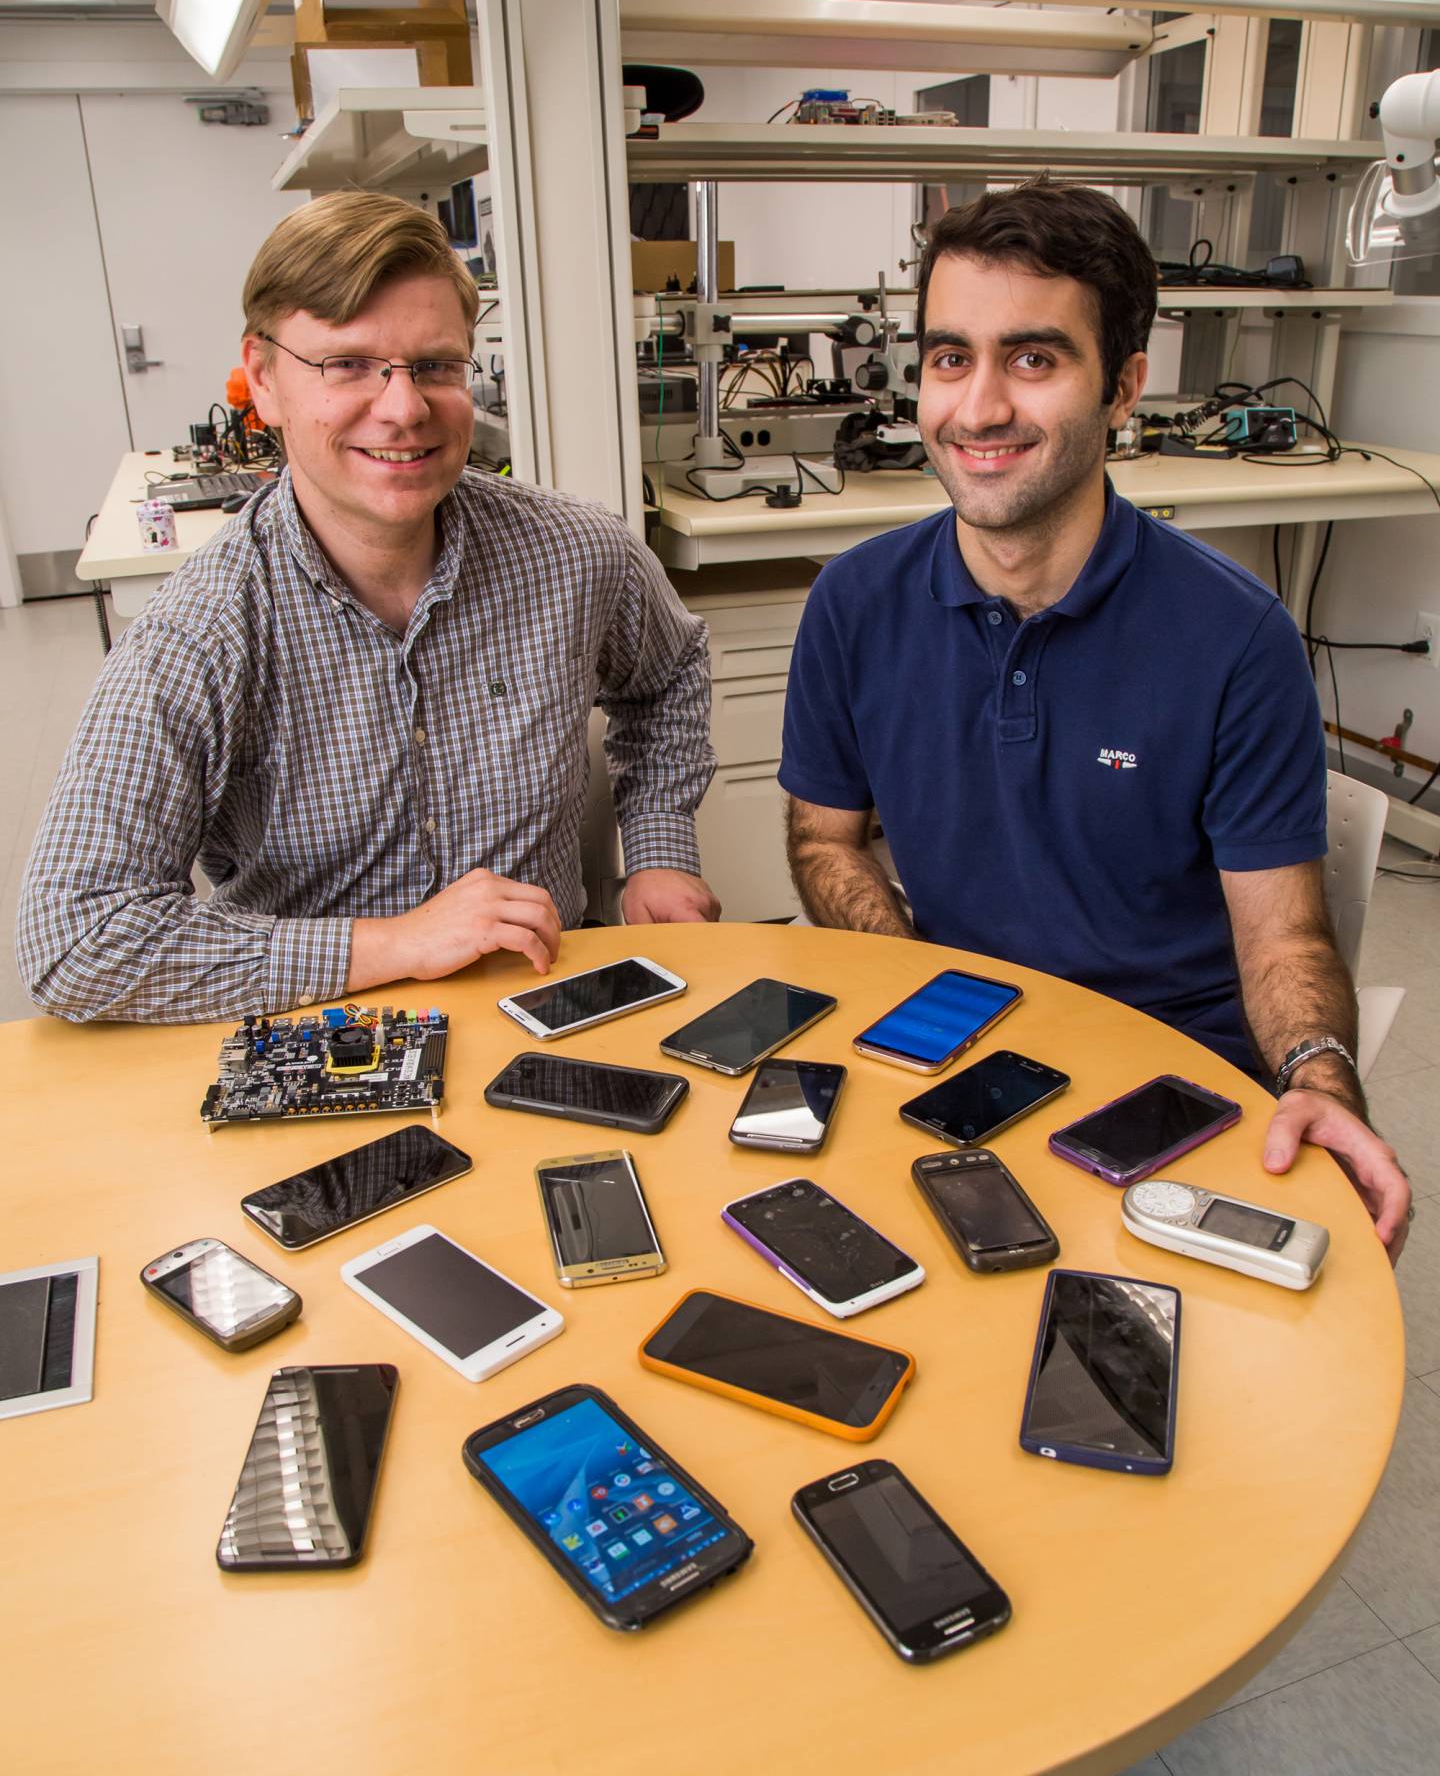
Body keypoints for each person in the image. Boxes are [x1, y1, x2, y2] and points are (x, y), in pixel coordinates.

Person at [779, 178, 1411, 1260]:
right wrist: (924, 985)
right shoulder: (853, 602)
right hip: (950, 1060)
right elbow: (823, 841)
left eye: (1033, 360)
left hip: (1164, 1086)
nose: (977, 408)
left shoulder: (1233, 638)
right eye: (948, 357)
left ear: (1123, 388)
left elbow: (1282, 937)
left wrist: (1318, 1075)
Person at [17, 190, 719, 1024]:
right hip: (324, 1041)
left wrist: (660, 850)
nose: (404, 407)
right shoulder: (199, 633)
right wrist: (393, 943)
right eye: (348, 364)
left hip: (555, 1005)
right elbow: (74, 938)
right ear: (264, 379)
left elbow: (669, 674)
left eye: (434, 366)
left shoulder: (574, 555)